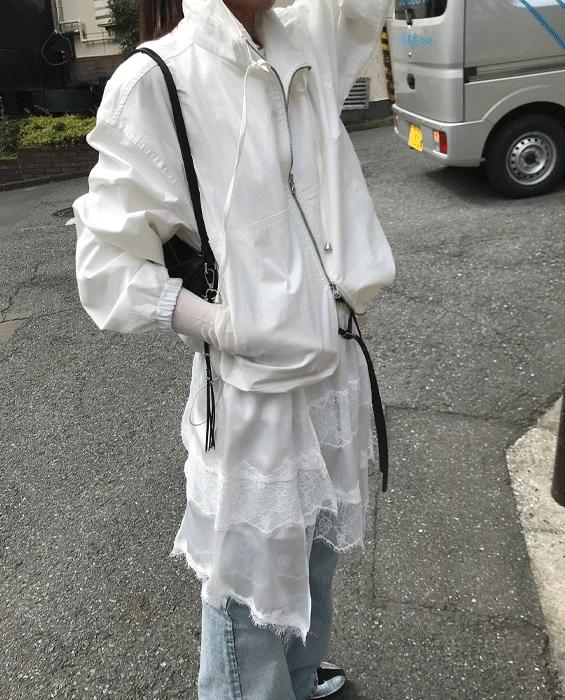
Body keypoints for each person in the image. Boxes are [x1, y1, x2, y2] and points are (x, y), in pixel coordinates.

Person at [74, 0, 395, 696]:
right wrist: (216, 324)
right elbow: (104, 268)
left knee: (312, 558)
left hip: (332, 370)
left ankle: (298, 681)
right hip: (252, 397)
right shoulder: (157, 79)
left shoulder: (303, 37)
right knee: (247, 591)